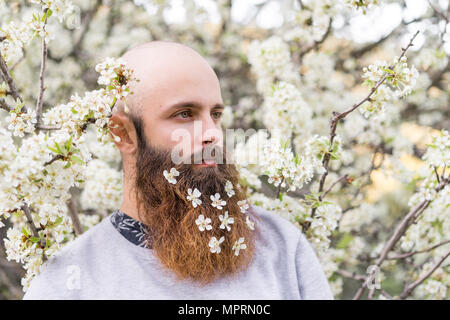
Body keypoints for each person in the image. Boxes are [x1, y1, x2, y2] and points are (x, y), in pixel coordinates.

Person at [23, 41, 333, 300]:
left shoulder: (282, 249)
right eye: (185, 114)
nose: (213, 134)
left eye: (216, 114)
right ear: (124, 134)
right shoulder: (65, 284)